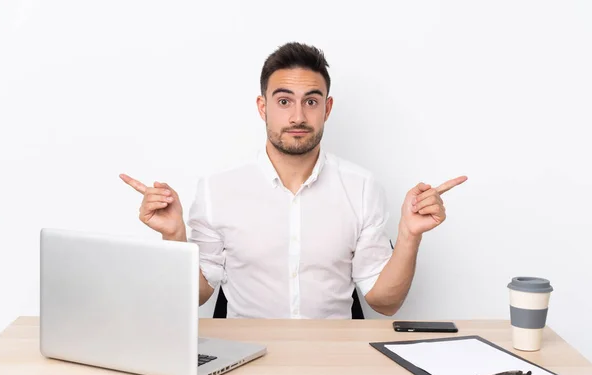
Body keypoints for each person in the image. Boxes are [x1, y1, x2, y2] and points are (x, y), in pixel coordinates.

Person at [120, 42, 467, 319]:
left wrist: (409, 235)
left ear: (327, 108)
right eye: (284, 101)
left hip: (336, 359)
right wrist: (173, 236)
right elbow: (195, 297)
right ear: (262, 107)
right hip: (246, 358)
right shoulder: (216, 189)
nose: (298, 116)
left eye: (311, 101)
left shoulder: (362, 188)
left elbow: (385, 303)